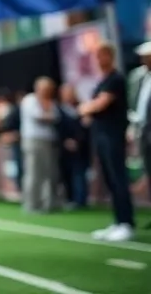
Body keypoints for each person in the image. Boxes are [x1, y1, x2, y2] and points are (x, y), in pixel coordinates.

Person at [79, 42, 135, 241]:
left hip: (113, 135)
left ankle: (127, 223)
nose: (99, 60)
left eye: (102, 55)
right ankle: (118, 221)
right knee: (110, 180)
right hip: (101, 135)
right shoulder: (102, 81)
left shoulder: (115, 79)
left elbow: (99, 104)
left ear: (110, 56)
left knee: (118, 179)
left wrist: (87, 108)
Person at [19, 77, 59, 213]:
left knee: (49, 173)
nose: (47, 92)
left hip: (48, 141)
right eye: (45, 89)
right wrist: (49, 116)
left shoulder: (50, 102)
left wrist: (48, 115)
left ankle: (47, 203)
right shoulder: (29, 100)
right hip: (33, 141)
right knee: (33, 172)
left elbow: (56, 116)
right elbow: (39, 116)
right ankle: (31, 203)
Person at [57, 83, 89, 209]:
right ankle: (70, 198)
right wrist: (65, 140)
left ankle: (80, 199)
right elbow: (58, 128)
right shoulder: (59, 109)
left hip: (81, 147)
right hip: (64, 148)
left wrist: (77, 140)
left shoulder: (82, 108)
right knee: (67, 174)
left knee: (80, 173)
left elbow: (85, 129)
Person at [130, 40, 151, 220]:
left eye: (147, 57)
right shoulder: (141, 78)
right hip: (144, 132)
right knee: (148, 170)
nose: (144, 60)